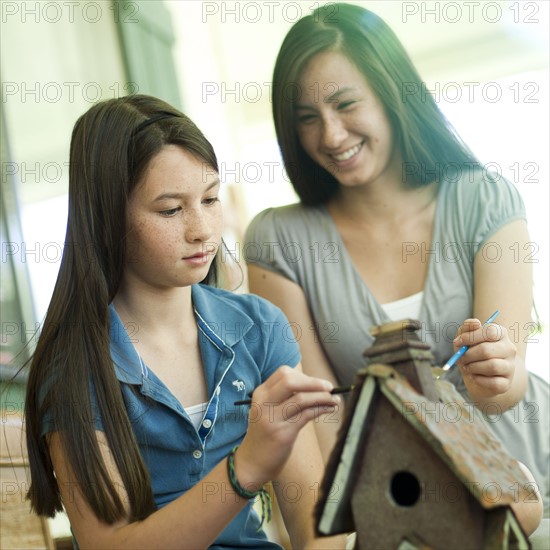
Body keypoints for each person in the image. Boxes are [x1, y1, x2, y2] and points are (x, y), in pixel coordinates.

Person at [244, 2, 547, 537]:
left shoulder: (485, 200)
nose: (331, 136)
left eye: (345, 105)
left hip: (522, 478)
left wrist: (502, 370)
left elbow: (501, 393)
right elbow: (323, 415)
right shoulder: (279, 241)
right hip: (396, 500)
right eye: (307, 119)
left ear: (393, 92)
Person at [23, 94, 348, 549]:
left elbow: (317, 531)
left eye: (210, 199)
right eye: (171, 210)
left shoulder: (259, 329)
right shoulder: (75, 370)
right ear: (107, 217)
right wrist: (246, 468)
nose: (201, 229)